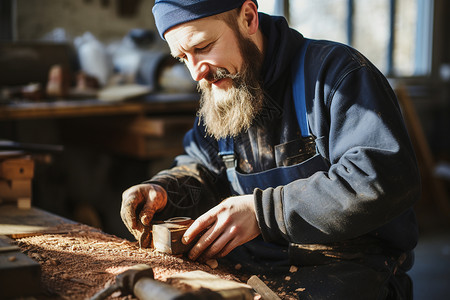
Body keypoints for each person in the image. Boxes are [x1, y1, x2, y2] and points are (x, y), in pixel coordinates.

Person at [121, 0, 420, 298]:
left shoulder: (338, 75)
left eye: (203, 47)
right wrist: (166, 190)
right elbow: (201, 168)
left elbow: (380, 180)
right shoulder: (220, 90)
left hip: (349, 269)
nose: (196, 73)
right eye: (183, 57)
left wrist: (262, 212)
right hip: (251, 268)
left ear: (248, 18)